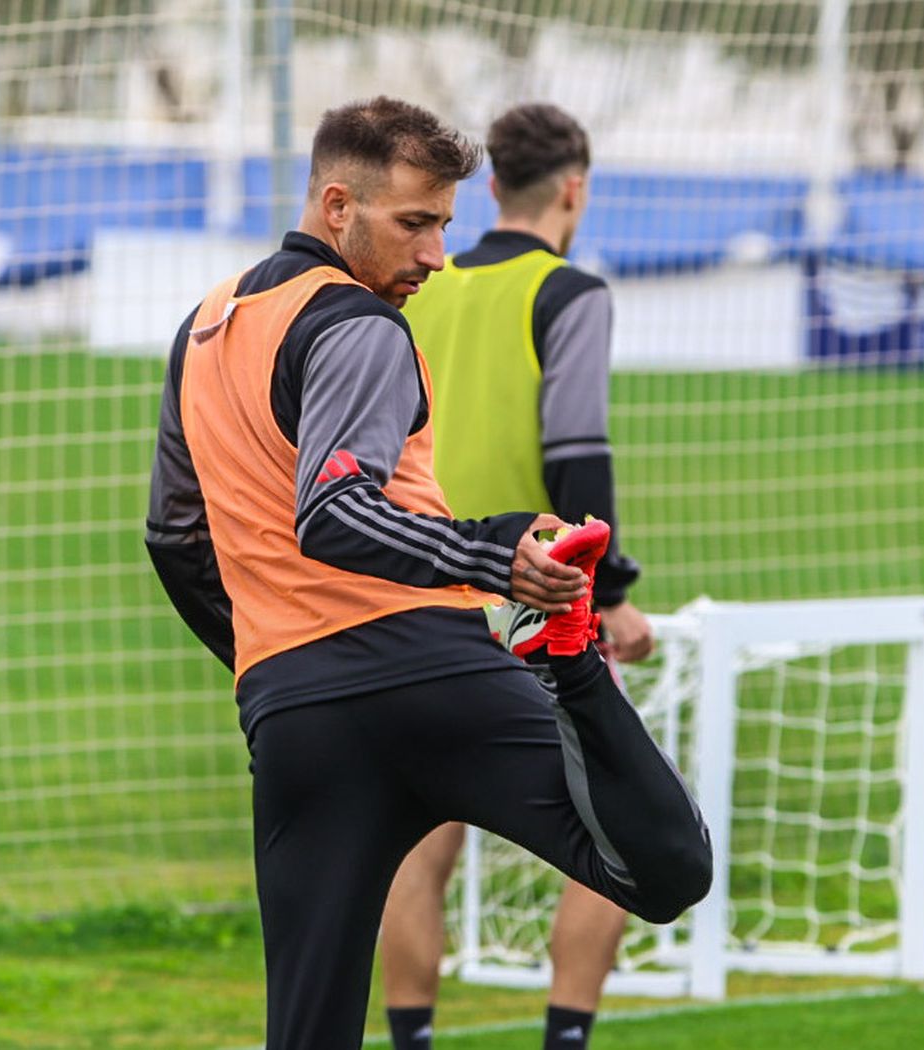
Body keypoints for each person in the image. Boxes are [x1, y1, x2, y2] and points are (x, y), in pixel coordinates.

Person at [143, 96, 711, 1050]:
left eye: (445, 222)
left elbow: (173, 535)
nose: (436, 253)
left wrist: (264, 666)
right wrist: (501, 557)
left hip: (297, 715)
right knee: (666, 868)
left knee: (309, 1029)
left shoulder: (206, 322)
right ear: (337, 205)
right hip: (433, 677)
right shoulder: (360, 324)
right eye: (415, 222)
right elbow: (335, 510)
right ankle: (567, 657)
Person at [380, 102, 647, 1050]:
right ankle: (565, 1038)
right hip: (532, 598)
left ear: (490, 189)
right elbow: (577, 455)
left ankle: (410, 1038)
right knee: (612, 829)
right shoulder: (571, 293)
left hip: (415, 595)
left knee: (416, 844)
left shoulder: (423, 280)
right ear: (574, 189)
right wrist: (606, 594)